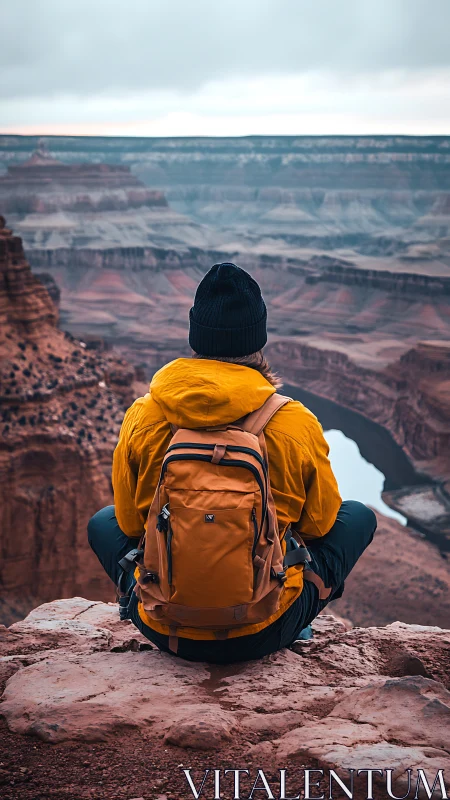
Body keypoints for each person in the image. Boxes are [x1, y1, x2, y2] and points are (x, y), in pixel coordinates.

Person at [88, 262, 376, 663]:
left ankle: (136, 599)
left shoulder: (144, 414)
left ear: (196, 338)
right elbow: (319, 525)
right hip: (264, 628)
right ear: (257, 338)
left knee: (101, 522)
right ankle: (294, 610)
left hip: (163, 626)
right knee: (358, 517)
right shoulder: (294, 420)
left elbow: (132, 525)